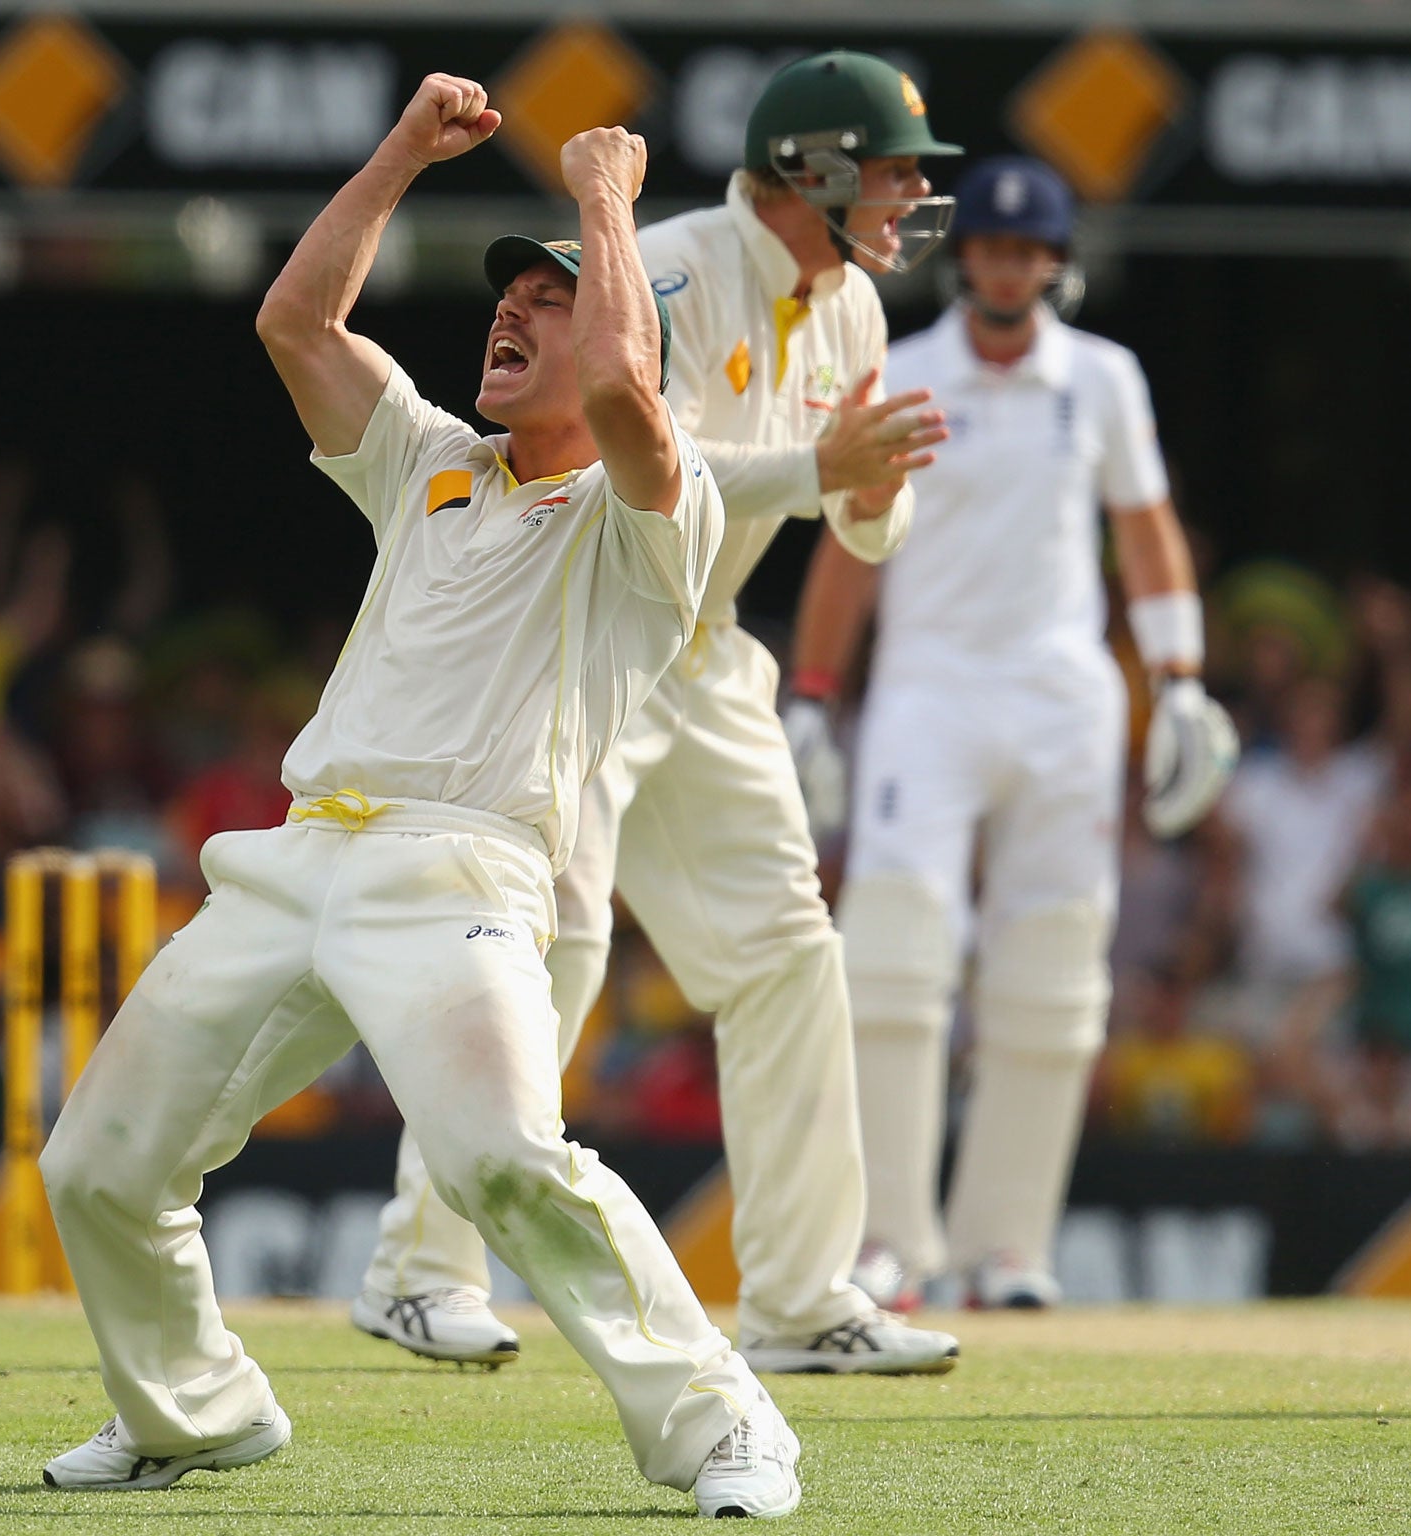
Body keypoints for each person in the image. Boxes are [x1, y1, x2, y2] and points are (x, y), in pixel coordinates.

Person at [36, 74, 800, 1518]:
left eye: (554, 302)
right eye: (508, 296)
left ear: (627, 335)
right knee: (98, 1167)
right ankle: (193, 1413)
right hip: (295, 859)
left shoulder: (659, 509)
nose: (514, 309)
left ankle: (724, 1427)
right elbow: (295, 326)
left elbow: (634, 394)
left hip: (458, 874)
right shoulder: (433, 461)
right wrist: (403, 151)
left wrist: (606, 201)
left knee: (507, 1159)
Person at [354, 49, 961, 1375]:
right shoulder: (675, 268)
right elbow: (649, 467)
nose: (914, 195)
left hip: (707, 654)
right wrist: (820, 468)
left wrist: (865, 487)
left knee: (789, 953)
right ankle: (418, 1270)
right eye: (896, 168)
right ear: (810, 169)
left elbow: (862, 515)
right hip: (591, 633)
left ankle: (802, 1302)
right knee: (547, 941)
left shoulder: (850, 310)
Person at [786, 157, 1239, 1310]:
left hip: (1060, 699)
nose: (1004, 266)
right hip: (926, 693)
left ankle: (1004, 1251)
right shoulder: (899, 367)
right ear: (964, 258)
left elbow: (1143, 532)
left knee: (1050, 968)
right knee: (890, 956)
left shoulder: (1099, 380)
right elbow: (848, 540)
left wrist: (1179, 680)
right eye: (987, 247)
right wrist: (811, 696)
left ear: (1053, 263)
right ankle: (888, 1241)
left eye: (1025, 250)